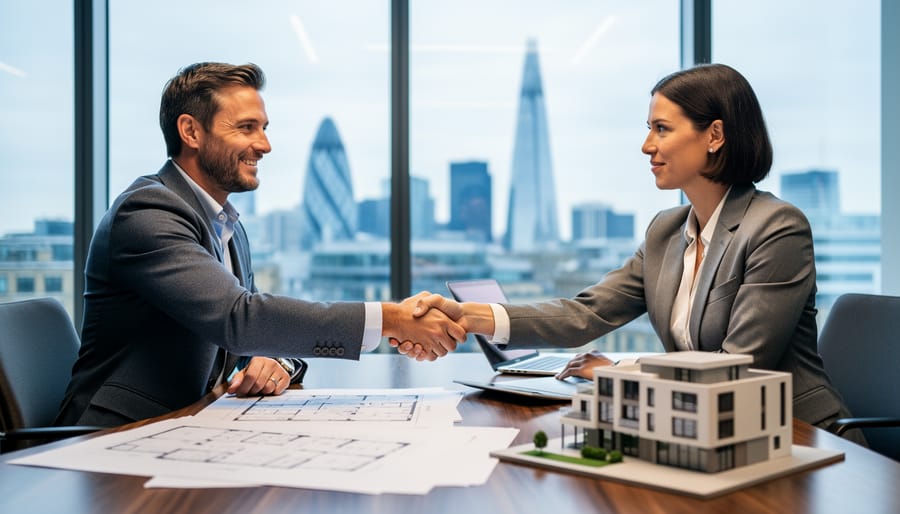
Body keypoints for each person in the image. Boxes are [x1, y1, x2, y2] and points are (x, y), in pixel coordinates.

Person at [404, 63, 864, 441]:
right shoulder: (666, 231)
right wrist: (467, 315)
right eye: (649, 129)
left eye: (662, 129)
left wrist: (621, 371)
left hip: (799, 436)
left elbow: (739, 365)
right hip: (709, 432)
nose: (647, 146)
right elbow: (584, 313)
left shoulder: (776, 228)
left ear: (715, 135)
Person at [55, 62, 463, 428]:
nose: (265, 145)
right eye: (247, 128)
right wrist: (391, 318)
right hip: (118, 436)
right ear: (191, 131)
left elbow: (252, 334)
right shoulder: (147, 211)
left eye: (264, 129)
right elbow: (239, 319)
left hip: (192, 423)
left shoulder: (224, 222)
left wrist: (279, 362)